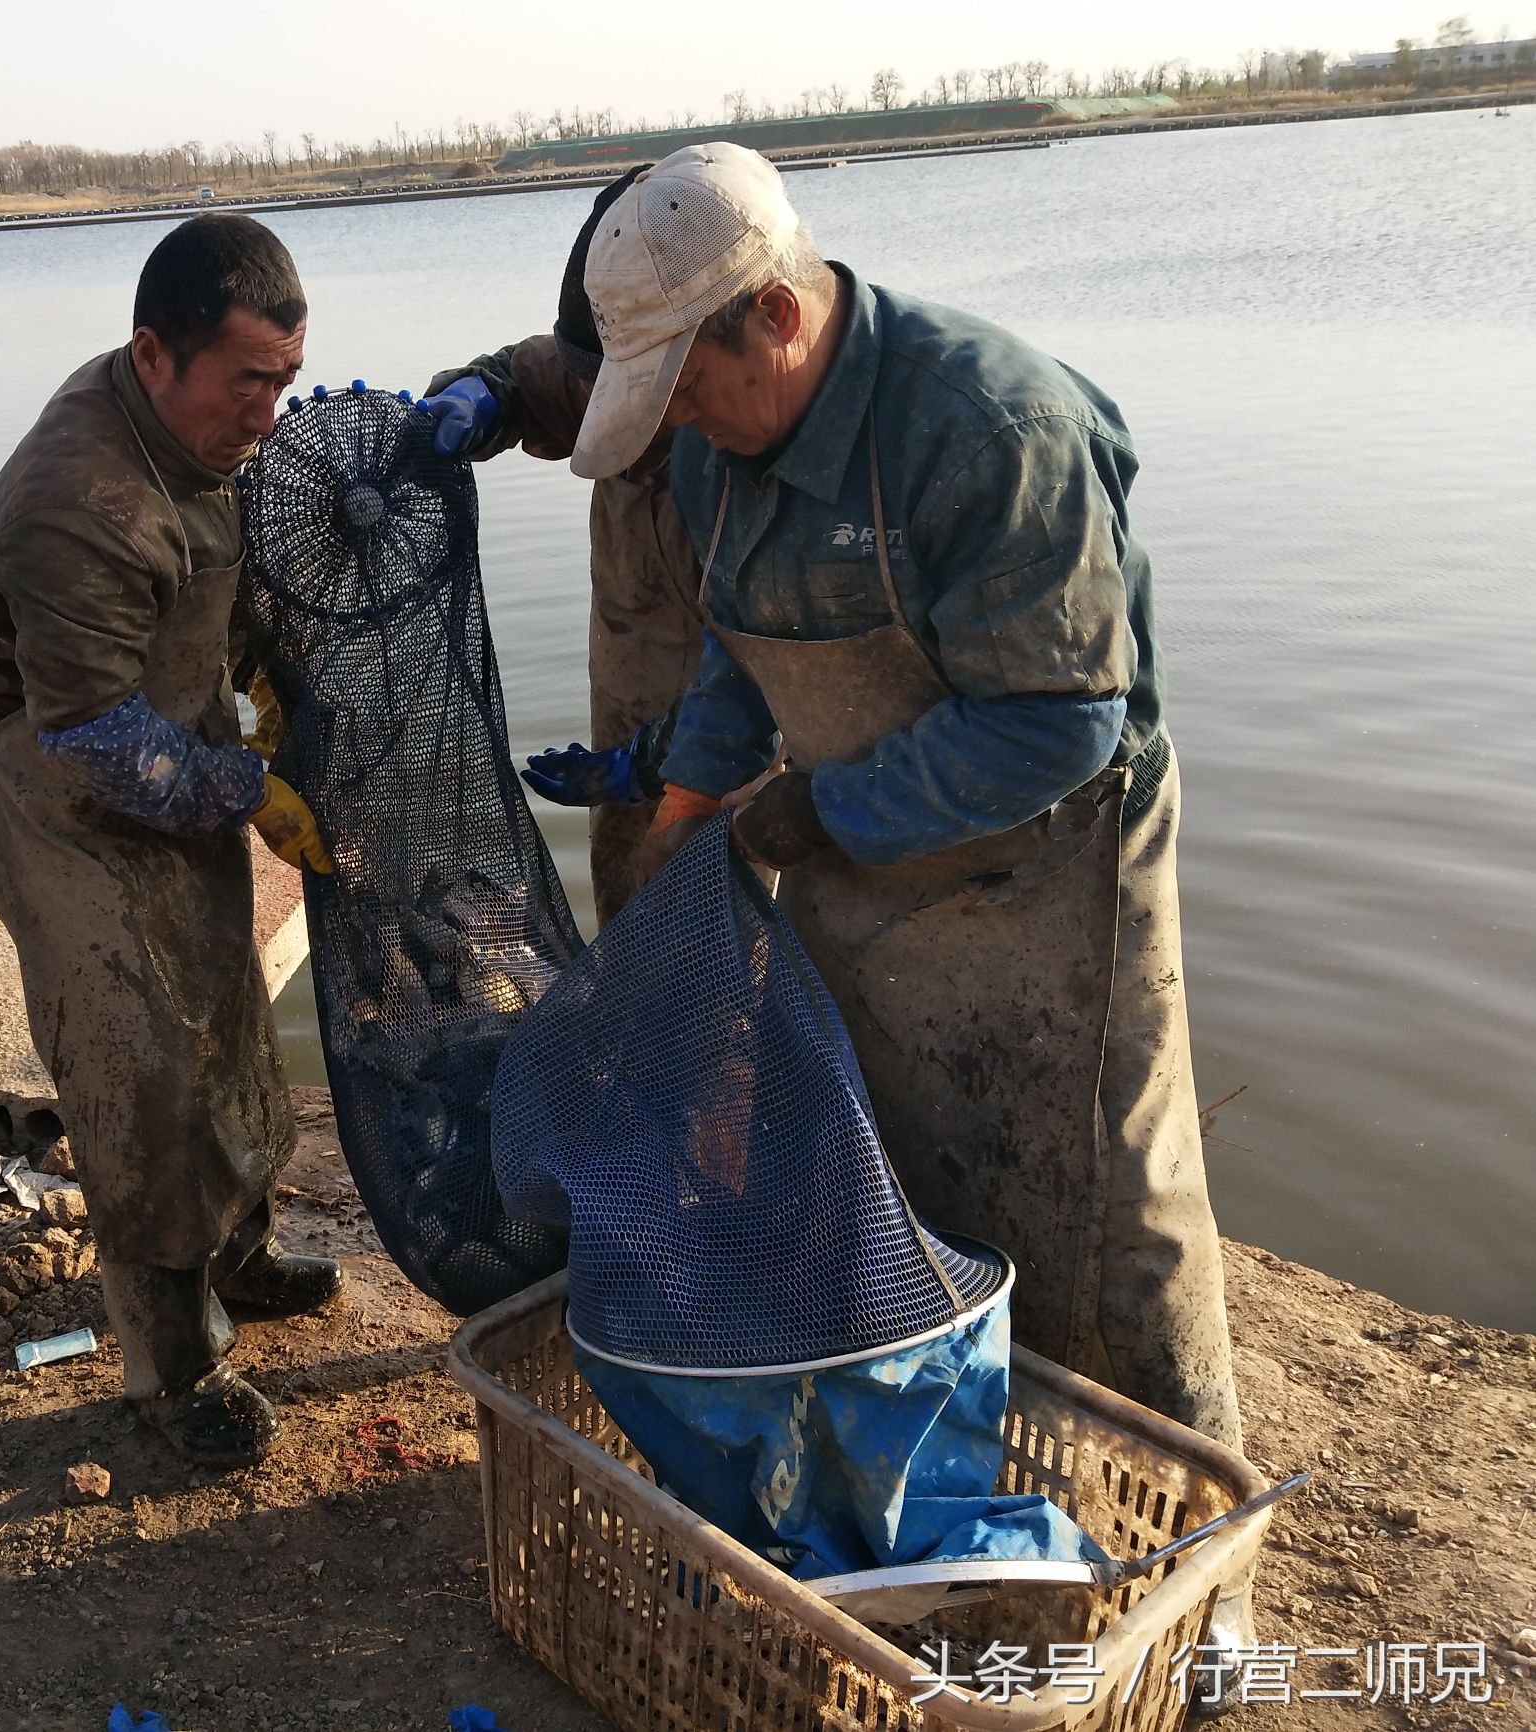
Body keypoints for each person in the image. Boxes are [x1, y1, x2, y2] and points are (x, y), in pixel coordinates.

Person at [561, 145, 1253, 1701]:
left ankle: (1205, 1596)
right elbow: (745, 648)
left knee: (1118, 1220)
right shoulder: (710, 449)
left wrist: (818, 815)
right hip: (875, 856)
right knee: (908, 1181)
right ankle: (977, 1539)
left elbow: (1059, 721)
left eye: (687, 382)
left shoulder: (986, 427)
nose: (674, 418)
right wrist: (694, 797)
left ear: (781, 318)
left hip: (1056, 864)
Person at [0, 216, 340, 1469]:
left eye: (284, 381)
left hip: (170, 743)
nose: (268, 417)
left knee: (226, 1018)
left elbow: (208, 593)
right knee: (139, 1084)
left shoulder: (197, 429)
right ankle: (170, 1373)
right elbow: (90, 739)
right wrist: (248, 786)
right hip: (66, 792)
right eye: (247, 385)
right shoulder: (78, 504)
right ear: (152, 354)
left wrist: (253, 685)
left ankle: (240, 1252)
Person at [423, 170, 704, 926]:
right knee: (628, 915)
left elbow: (769, 685)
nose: (600, 399)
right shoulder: (589, 359)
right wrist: (470, 397)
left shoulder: (754, 436)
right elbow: (524, 373)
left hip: (735, 740)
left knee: (730, 940)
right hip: (625, 689)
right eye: (592, 380)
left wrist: (649, 765)